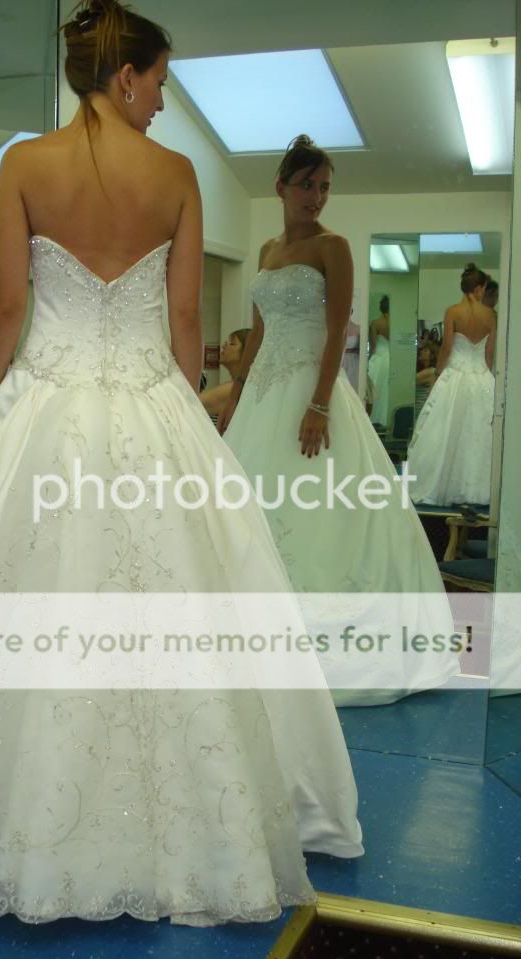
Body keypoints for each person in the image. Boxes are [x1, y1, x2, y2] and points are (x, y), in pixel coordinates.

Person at [0, 1, 363, 926]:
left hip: (44, 405)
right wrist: (182, 418)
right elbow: (186, 320)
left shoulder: (24, 164)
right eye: (161, 81)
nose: (164, 101)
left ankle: (11, 828)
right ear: (125, 76)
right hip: (147, 401)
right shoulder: (174, 175)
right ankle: (196, 828)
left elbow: (6, 307)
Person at [217, 135, 459, 706]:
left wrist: (320, 403)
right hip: (264, 395)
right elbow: (258, 332)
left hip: (312, 391)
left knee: (322, 508)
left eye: (324, 187)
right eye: (307, 185)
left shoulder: (335, 247)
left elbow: (336, 335)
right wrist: (236, 396)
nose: (317, 197)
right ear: (281, 187)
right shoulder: (266, 250)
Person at [407, 264, 495, 506]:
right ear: (479, 288)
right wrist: (487, 377)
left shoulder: (453, 312)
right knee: (479, 435)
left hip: (455, 377)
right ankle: (475, 490)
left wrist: (438, 373)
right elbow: (489, 354)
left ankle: (440, 485)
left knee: (443, 432)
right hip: (482, 377)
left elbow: (446, 348)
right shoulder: (490, 315)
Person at [200, 328, 248, 425]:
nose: (224, 345)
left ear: (246, 354)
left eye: (232, 343)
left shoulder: (232, 389)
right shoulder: (239, 386)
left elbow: (191, 404)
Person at [367, 295, 390, 428]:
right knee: (386, 390)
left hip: (379, 358)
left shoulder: (375, 323)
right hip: (390, 358)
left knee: (375, 389)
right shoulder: (394, 323)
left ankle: (373, 418)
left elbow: (373, 346)